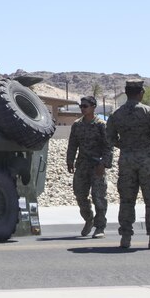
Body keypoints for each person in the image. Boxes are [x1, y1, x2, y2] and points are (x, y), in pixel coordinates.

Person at [105, 80, 150, 249]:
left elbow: (109, 138)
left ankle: (125, 237)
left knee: (126, 200)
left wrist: (124, 145)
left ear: (126, 93)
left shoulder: (116, 115)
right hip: (147, 161)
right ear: (141, 93)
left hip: (126, 161)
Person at [66, 95, 113, 238]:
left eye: (85, 106)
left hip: (97, 165)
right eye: (81, 106)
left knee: (98, 196)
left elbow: (108, 146)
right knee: (80, 194)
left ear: (93, 107)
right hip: (82, 165)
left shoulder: (101, 125)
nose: (82, 109)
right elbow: (73, 144)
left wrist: (104, 164)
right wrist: (70, 160)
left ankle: (100, 227)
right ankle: (88, 219)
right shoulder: (77, 125)